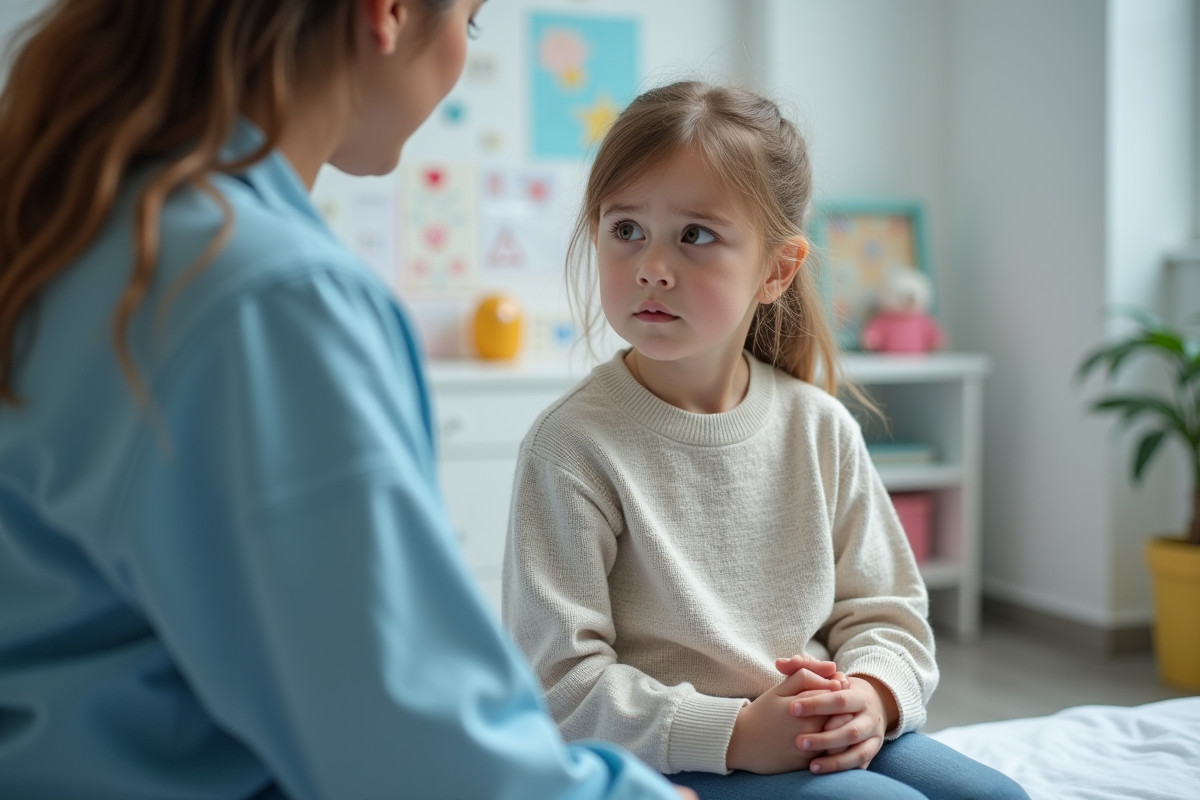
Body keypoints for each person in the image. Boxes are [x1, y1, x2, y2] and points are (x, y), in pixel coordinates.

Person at [0, 2, 696, 798]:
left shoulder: (71, 231)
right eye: (468, 23)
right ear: (390, 13)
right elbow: (417, 757)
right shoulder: (261, 296)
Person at [501, 81, 1031, 800]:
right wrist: (738, 734)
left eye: (695, 235)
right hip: (673, 758)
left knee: (998, 799)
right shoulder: (571, 446)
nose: (653, 265)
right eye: (626, 229)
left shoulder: (818, 426)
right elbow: (558, 687)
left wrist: (873, 696)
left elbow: (887, 610)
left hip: (807, 729)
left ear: (776, 271)